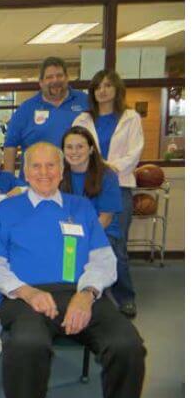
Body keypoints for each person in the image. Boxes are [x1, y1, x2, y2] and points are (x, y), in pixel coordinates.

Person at [0, 142, 145, 398]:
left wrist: (86, 294)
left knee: (127, 345)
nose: (43, 172)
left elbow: (103, 259)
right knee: (27, 345)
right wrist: (26, 291)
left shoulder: (81, 207)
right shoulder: (7, 209)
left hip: (80, 293)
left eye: (51, 165)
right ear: (25, 173)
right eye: (36, 166)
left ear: (61, 172)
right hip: (25, 298)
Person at [71, 69, 144, 317]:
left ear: (116, 90)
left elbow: (134, 152)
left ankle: (125, 297)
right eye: (98, 86)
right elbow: (74, 148)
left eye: (107, 86)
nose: (102, 91)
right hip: (88, 186)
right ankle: (89, 293)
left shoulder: (130, 117)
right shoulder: (83, 119)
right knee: (81, 242)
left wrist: (108, 170)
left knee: (114, 245)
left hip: (119, 184)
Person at [60, 127, 126, 310]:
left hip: (100, 233)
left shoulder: (107, 175)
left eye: (80, 147)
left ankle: (100, 300)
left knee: (86, 259)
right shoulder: (58, 174)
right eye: (69, 147)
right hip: (68, 232)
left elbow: (105, 218)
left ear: (90, 149)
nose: (74, 152)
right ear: (63, 150)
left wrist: (81, 240)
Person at [3, 57, 89, 178]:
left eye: (59, 75)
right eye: (49, 77)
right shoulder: (26, 109)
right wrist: (9, 182)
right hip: (37, 182)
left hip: (78, 180)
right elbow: (10, 146)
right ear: (41, 82)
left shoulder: (85, 101)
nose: (55, 80)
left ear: (67, 78)